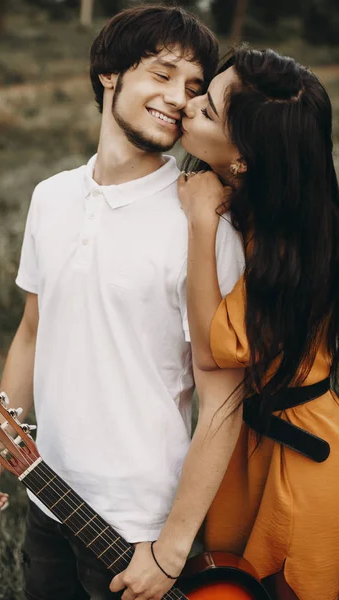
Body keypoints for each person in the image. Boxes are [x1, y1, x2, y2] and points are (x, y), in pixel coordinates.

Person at [0, 6, 246, 600]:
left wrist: (170, 549)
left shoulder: (203, 222)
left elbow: (223, 404)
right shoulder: (52, 197)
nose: (178, 98)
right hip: (47, 490)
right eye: (163, 74)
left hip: (138, 525)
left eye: (194, 87)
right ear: (110, 74)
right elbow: (33, 331)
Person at [178, 47, 339, 600]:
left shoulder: (287, 240)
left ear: (243, 157)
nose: (188, 105)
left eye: (205, 111)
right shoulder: (273, 201)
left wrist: (202, 223)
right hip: (248, 441)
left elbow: (215, 347)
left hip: (297, 456)